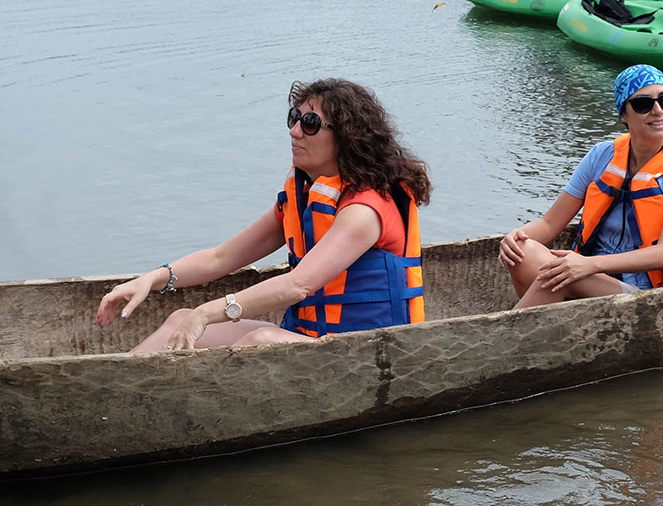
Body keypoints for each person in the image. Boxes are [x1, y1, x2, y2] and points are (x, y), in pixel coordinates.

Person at [96, 79, 430, 351]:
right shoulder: (300, 199)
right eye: (294, 119)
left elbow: (300, 284)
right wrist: (151, 279)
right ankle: (113, 391)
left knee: (260, 341)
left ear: (347, 136)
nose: (295, 131)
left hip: (373, 351)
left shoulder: (365, 209)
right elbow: (220, 258)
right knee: (179, 319)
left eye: (310, 123)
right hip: (309, 340)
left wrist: (206, 313)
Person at [498, 65, 663, 306]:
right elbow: (548, 223)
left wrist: (589, 265)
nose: (658, 111)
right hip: (593, 274)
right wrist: (516, 237)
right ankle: (539, 325)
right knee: (522, 251)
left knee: (559, 278)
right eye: (643, 104)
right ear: (623, 115)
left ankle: (507, 333)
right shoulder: (602, 155)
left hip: (651, 290)